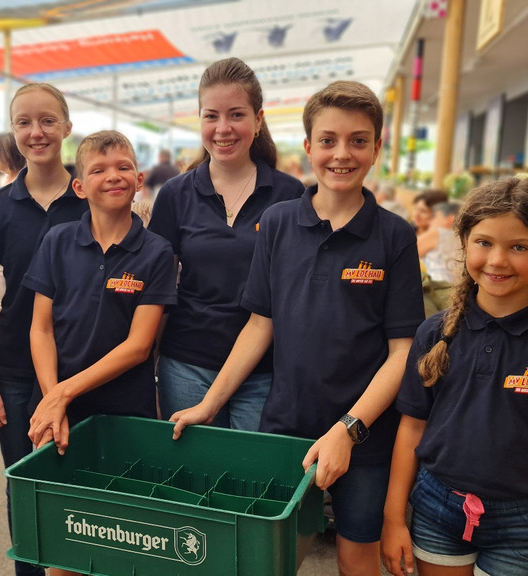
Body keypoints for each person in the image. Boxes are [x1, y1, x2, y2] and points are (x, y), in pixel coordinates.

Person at [170, 81, 425, 575]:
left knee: (356, 558)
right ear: (308, 147)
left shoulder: (394, 235)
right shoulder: (279, 222)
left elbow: (403, 351)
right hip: (285, 425)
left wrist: (349, 431)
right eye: (328, 140)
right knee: (269, 557)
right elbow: (259, 325)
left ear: (377, 147)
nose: (341, 154)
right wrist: (210, 403)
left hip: (366, 435)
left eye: (358, 140)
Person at [381, 177, 528, 576]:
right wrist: (393, 518)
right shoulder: (434, 334)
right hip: (436, 511)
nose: (498, 261)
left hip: (525, 526)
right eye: (484, 242)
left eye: (518, 247)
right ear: (464, 240)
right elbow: (412, 429)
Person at [0, 82, 87, 576]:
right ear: (13, 131)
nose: (36, 132)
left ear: (66, 126)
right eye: (24, 123)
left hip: (84, 365)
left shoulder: (91, 190)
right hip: (16, 368)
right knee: (24, 482)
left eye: (46, 121)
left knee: (81, 484)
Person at [149, 57, 304, 431]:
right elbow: (158, 288)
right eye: (210, 116)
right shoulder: (175, 194)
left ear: (258, 119)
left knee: (254, 484)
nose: (223, 129)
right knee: (189, 481)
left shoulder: (290, 195)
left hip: (264, 371)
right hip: (186, 364)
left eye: (236, 115)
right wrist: (147, 366)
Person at [25, 131, 177, 463]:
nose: (112, 176)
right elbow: (41, 329)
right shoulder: (57, 241)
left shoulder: (156, 252)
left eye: (123, 167)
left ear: (138, 180)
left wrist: (62, 394)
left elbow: (139, 347)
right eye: (98, 170)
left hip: (123, 411)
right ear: (79, 187)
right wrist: (54, 399)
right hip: (57, 408)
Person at [417, 201, 461, 317]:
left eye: (435, 217)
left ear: (450, 219)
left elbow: (405, 254)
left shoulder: (438, 233)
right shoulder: (467, 239)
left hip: (434, 291)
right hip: (459, 295)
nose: (430, 221)